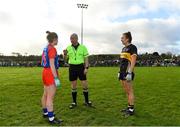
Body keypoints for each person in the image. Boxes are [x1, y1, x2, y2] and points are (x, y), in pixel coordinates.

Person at [63, 33, 92, 109]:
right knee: (73, 85)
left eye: (73, 38)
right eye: (71, 39)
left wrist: (86, 68)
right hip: (72, 67)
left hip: (81, 67)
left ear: (77, 39)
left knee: (84, 84)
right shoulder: (68, 48)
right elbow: (65, 60)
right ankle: (74, 102)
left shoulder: (83, 47)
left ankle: (86, 101)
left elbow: (86, 58)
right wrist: (65, 55)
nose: (71, 40)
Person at [41, 31, 63, 124]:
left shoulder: (46, 47)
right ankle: (51, 118)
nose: (58, 41)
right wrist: (56, 78)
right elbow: (52, 65)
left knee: (45, 94)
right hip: (50, 72)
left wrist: (50, 34)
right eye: (57, 39)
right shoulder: (52, 49)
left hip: (45, 72)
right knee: (50, 97)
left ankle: (45, 112)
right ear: (54, 39)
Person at [118, 31, 138, 116]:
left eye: (122, 38)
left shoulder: (132, 47)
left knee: (130, 91)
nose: (121, 39)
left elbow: (133, 60)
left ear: (127, 39)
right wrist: (119, 71)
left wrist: (129, 72)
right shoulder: (123, 49)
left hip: (127, 72)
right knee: (126, 91)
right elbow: (122, 62)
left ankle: (131, 109)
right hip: (122, 72)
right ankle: (129, 106)